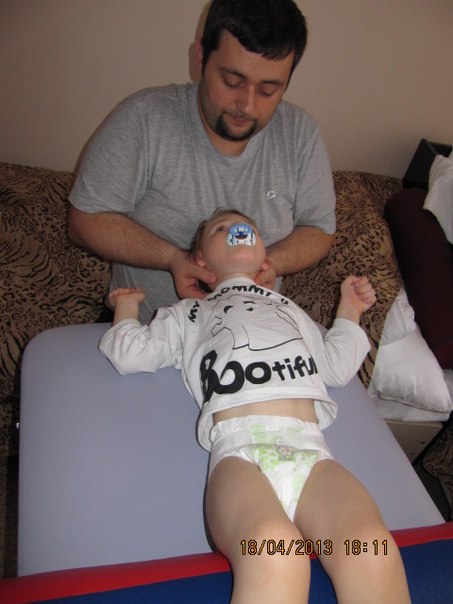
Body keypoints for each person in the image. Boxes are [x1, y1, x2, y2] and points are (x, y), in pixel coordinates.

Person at [99, 209, 411, 604]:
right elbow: (132, 354)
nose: (237, 231)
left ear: (264, 257)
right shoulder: (188, 313)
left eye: (247, 229)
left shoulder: (288, 309)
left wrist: (348, 312)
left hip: (310, 452)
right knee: (274, 549)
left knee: (369, 547)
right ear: (201, 260)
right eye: (221, 228)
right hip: (240, 452)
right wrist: (127, 308)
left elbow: (334, 366)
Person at [68, 0, 336, 323]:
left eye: (268, 89)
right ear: (201, 58)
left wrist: (270, 264)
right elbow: (83, 221)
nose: (247, 105)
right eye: (232, 81)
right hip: (141, 331)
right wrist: (172, 259)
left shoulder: (300, 134)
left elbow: (319, 228)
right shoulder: (145, 118)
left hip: (249, 337)